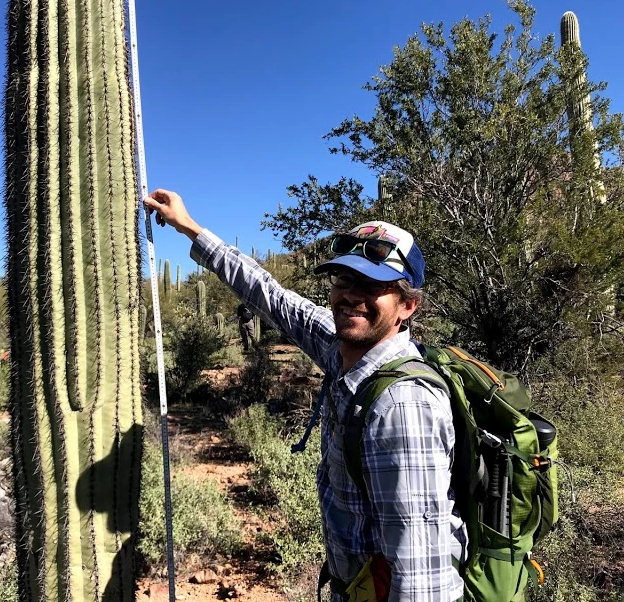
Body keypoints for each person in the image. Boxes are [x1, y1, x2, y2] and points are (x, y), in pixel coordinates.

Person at [144, 189, 465, 602]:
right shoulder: (340, 349)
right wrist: (189, 228)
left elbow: (423, 580)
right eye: (345, 279)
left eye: (373, 285)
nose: (351, 294)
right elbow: (270, 295)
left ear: (407, 306)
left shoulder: (401, 407)